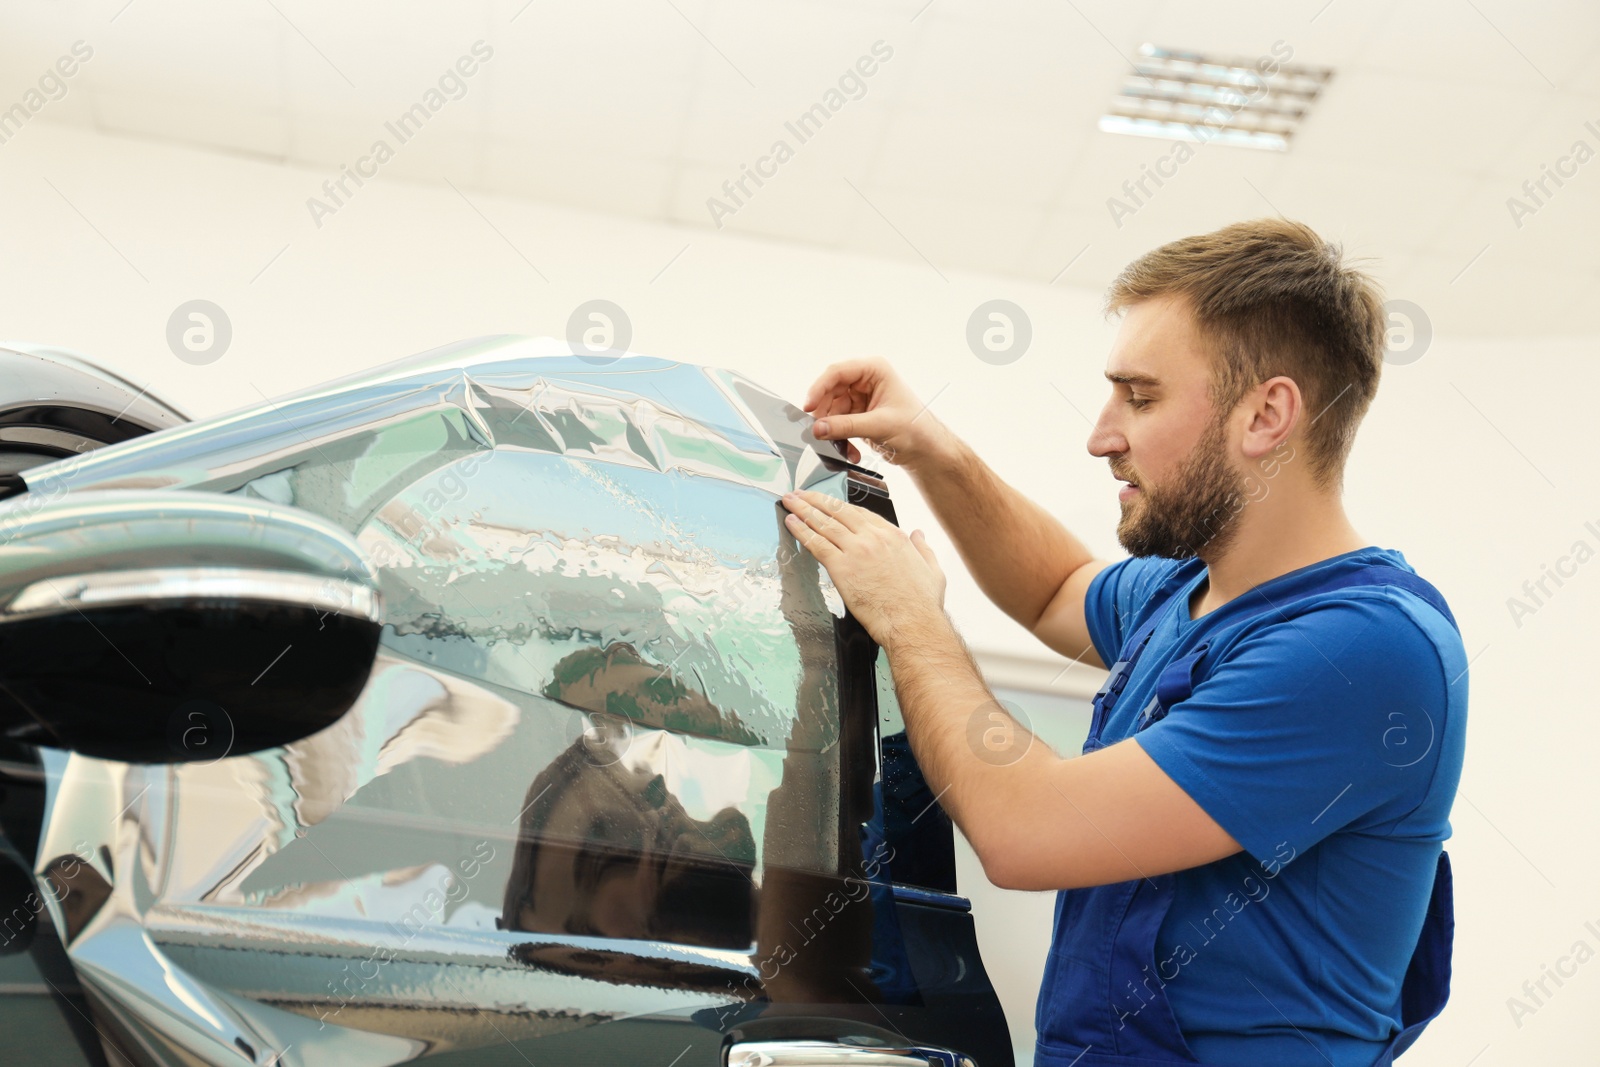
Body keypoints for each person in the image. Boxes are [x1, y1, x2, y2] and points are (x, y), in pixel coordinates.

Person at [778, 218, 1468, 1067]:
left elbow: (1024, 828)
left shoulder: (1361, 654)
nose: (1102, 435)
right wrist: (931, 448)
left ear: (1267, 414)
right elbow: (1054, 587)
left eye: (1139, 398)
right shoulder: (1191, 591)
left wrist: (912, 616)